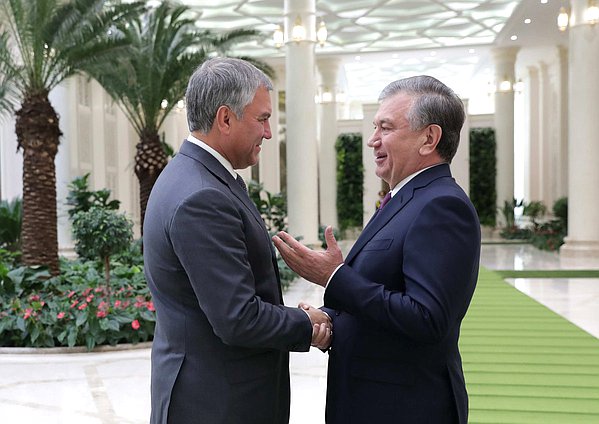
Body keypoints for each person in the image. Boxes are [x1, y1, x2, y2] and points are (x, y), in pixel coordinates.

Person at [273, 75, 481, 423]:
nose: (372, 140)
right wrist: (331, 321)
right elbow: (385, 295)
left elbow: (427, 319)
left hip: (406, 407)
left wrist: (334, 276)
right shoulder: (403, 198)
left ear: (429, 138)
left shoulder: (442, 206)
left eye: (385, 128)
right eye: (374, 127)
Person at [143, 57, 331, 424]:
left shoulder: (193, 175)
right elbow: (238, 318)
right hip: (217, 404)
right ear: (225, 119)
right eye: (262, 119)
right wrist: (308, 327)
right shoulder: (202, 196)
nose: (269, 133)